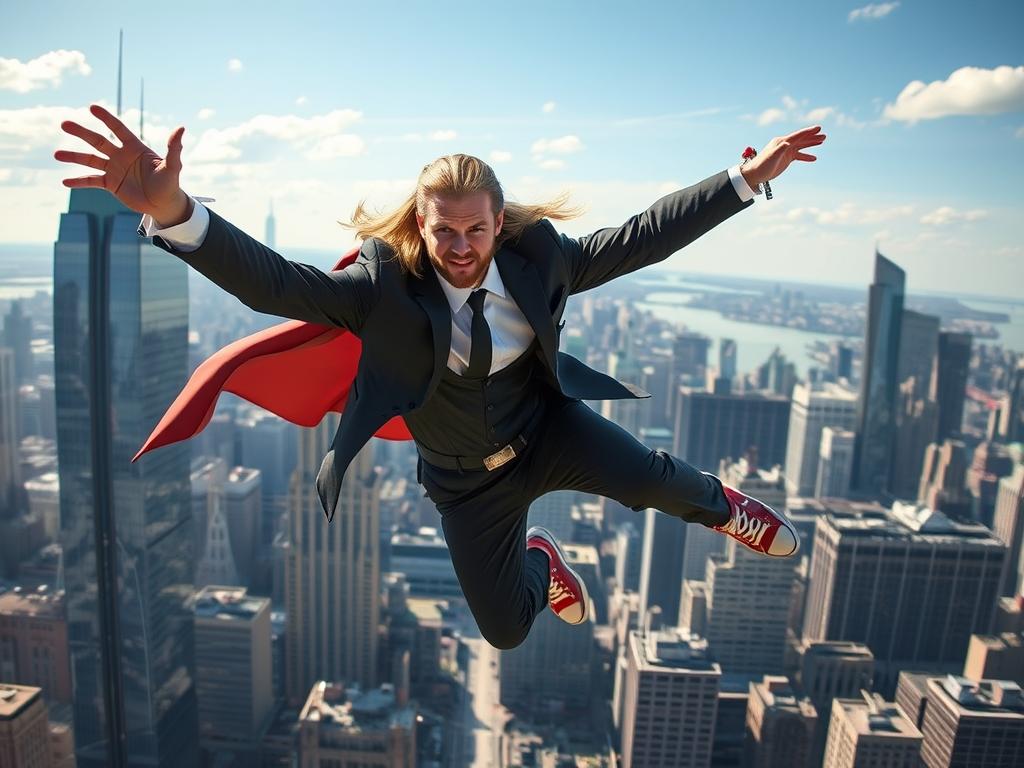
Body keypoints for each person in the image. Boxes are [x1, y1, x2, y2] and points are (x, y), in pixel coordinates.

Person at [56, 105, 825, 649]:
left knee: (653, 478)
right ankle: (540, 562)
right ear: (419, 225)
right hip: (465, 482)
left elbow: (642, 237)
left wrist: (743, 180)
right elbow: (275, 286)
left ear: (500, 223)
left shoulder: (543, 261)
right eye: (444, 229)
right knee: (506, 629)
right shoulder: (381, 290)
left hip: (547, 432)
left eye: (477, 229)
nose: (461, 246)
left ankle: (727, 509)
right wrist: (178, 212)